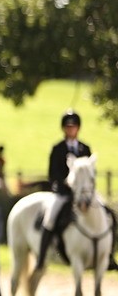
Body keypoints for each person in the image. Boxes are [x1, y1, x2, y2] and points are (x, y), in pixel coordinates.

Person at [37, 109, 91, 269]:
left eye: (73, 126)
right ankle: (41, 256)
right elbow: (52, 173)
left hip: (82, 193)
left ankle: (107, 254)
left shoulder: (85, 149)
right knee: (50, 218)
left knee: (103, 212)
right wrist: (66, 182)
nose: (71, 129)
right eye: (68, 127)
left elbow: (90, 171)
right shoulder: (57, 148)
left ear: (78, 128)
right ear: (64, 128)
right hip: (63, 192)